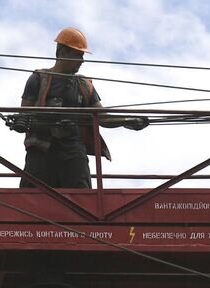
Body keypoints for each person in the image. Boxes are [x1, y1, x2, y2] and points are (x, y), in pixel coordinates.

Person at [19, 27, 148, 188]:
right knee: (31, 196)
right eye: (78, 55)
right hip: (42, 150)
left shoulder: (84, 85)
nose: (82, 61)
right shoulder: (39, 79)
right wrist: (47, 120)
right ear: (63, 52)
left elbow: (102, 117)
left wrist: (127, 120)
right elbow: (24, 115)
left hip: (72, 154)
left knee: (82, 196)